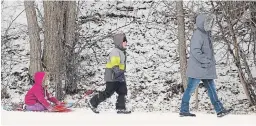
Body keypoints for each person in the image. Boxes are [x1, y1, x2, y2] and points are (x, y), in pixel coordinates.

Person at [179, 14, 232, 117]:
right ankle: (183, 110)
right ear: (202, 23)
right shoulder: (198, 34)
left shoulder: (207, 34)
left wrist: (208, 62)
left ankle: (220, 110)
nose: (210, 24)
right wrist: (205, 60)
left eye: (210, 22)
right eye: (208, 22)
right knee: (190, 89)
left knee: (212, 89)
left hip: (205, 68)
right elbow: (195, 51)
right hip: (197, 69)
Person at [88, 32, 131, 114]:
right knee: (108, 92)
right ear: (119, 42)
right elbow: (115, 64)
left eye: (126, 41)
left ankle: (120, 108)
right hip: (112, 75)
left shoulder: (121, 51)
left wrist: (120, 75)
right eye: (124, 41)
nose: (126, 43)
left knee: (123, 91)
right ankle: (93, 102)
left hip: (119, 74)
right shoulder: (115, 52)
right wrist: (118, 74)